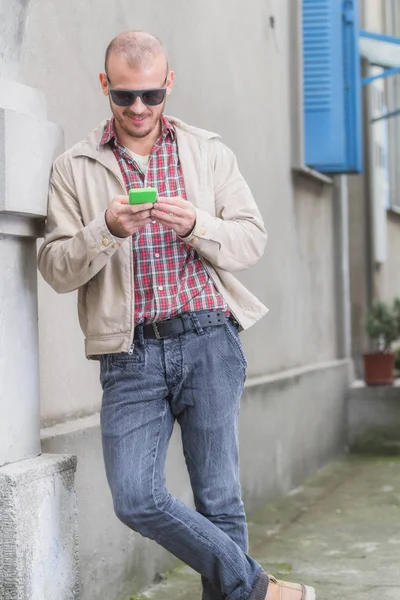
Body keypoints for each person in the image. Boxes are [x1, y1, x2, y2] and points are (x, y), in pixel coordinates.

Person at [38, 30, 316, 600]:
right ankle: (260, 588)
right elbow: (55, 268)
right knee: (135, 496)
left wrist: (195, 224)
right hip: (129, 353)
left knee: (219, 499)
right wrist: (106, 230)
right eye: (123, 97)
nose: (138, 108)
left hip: (209, 336)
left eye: (149, 95)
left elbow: (251, 241)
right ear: (104, 88)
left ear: (168, 84)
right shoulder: (75, 167)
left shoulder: (208, 151)